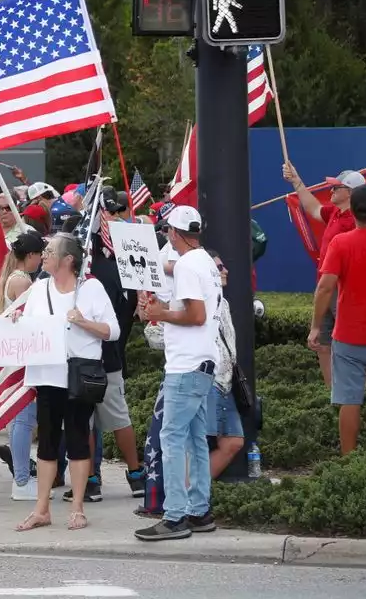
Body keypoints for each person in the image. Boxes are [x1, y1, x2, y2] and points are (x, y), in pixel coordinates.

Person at [13, 234, 119, 532]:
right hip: (47, 375)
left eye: (49, 251)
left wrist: (84, 321)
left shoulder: (91, 288)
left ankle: (77, 508)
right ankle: (41, 509)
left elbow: (113, 330)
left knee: (76, 439)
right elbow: (28, 326)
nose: (43, 255)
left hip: (79, 376)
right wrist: (14, 323)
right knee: (46, 442)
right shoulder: (39, 288)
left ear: (68, 259)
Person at [136, 206, 223, 541]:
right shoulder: (202, 261)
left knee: (171, 438)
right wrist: (160, 307)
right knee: (194, 439)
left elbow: (196, 315)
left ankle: (174, 517)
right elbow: (194, 310)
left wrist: (161, 313)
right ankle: (199, 511)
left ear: (173, 233)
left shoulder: (187, 264)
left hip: (186, 366)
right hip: (202, 362)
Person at [284, 163, 366, 387]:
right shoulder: (334, 212)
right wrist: (297, 181)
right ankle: (331, 393)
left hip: (344, 289)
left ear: (350, 193)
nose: (330, 191)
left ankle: (359, 391)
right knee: (323, 342)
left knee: (350, 343)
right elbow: (313, 208)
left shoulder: (357, 221)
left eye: (336, 188)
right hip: (326, 285)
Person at [311, 185, 366, 454]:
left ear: (352, 211)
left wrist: (314, 327)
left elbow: (325, 287)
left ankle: (349, 462)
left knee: (349, 400)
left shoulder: (341, 243)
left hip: (348, 337)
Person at [83, 196, 145, 503]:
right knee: (86, 421)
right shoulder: (84, 265)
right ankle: (93, 478)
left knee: (116, 418)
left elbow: (130, 308)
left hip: (105, 355)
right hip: (82, 358)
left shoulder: (113, 267)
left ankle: (133, 473)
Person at [0, 231, 45, 499]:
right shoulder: (22, 281)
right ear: (32, 256)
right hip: (23, 355)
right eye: (40, 255)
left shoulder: (12, 277)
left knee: (21, 420)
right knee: (24, 420)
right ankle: (22, 480)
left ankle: (22, 478)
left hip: (16, 354)